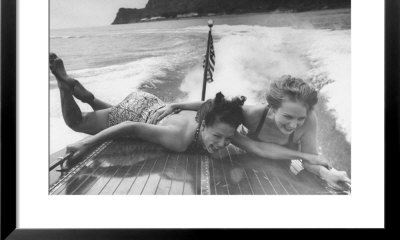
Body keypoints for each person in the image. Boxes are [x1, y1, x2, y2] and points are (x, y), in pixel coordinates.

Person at [151, 75, 351, 191]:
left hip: (281, 167)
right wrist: (177, 105)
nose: (294, 125)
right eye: (288, 117)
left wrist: (326, 173)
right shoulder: (252, 114)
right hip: (246, 161)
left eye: (300, 118)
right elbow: (216, 106)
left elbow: (310, 160)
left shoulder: (309, 121)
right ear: (271, 108)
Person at [49, 53, 246, 165]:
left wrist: (177, 105)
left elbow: (211, 103)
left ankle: (91, 99)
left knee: (113, 113)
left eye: (228, 139)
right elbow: (131, 126)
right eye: (218, 136)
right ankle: (65, 87)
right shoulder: (179, 140)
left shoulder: (211, 114)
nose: (222, 144)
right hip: (133, 113)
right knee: (77, 122)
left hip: (152, 104)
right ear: (203, 125)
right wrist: (86, 144)